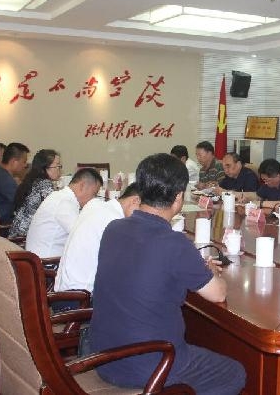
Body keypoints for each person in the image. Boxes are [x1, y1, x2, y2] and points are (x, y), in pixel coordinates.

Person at [89, 153, 246, 393]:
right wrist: (208, 272)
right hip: (152, 364)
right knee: (234, 373)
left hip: (103, 358)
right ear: (179, 197)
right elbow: (218, 294)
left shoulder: (113, 228)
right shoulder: (174, 243)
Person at [54, 183, 141, 293]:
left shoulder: (94, 204)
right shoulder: (116, 221)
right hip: (81, 296)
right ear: (135, 201)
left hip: (63, 289)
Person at [25, 168, 102, 258]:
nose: (93, 199)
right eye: (94, 194)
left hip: (39, 258)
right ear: (82, 186)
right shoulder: (65, 202)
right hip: (47, 262)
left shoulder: (60, 196)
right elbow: (81, 236)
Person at [8, 149, 61, 238]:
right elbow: (57, 210)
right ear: (45, 167)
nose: (59, 169)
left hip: (17, 234)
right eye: (57, 166)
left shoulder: (32, 180)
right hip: (24, 238)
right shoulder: (44, 184)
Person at [0, 142, 30, 225]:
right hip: (4, 225)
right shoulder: (5, 179)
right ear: (14, 162)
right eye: (24, 162)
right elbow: (25, 204)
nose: (25, 165)